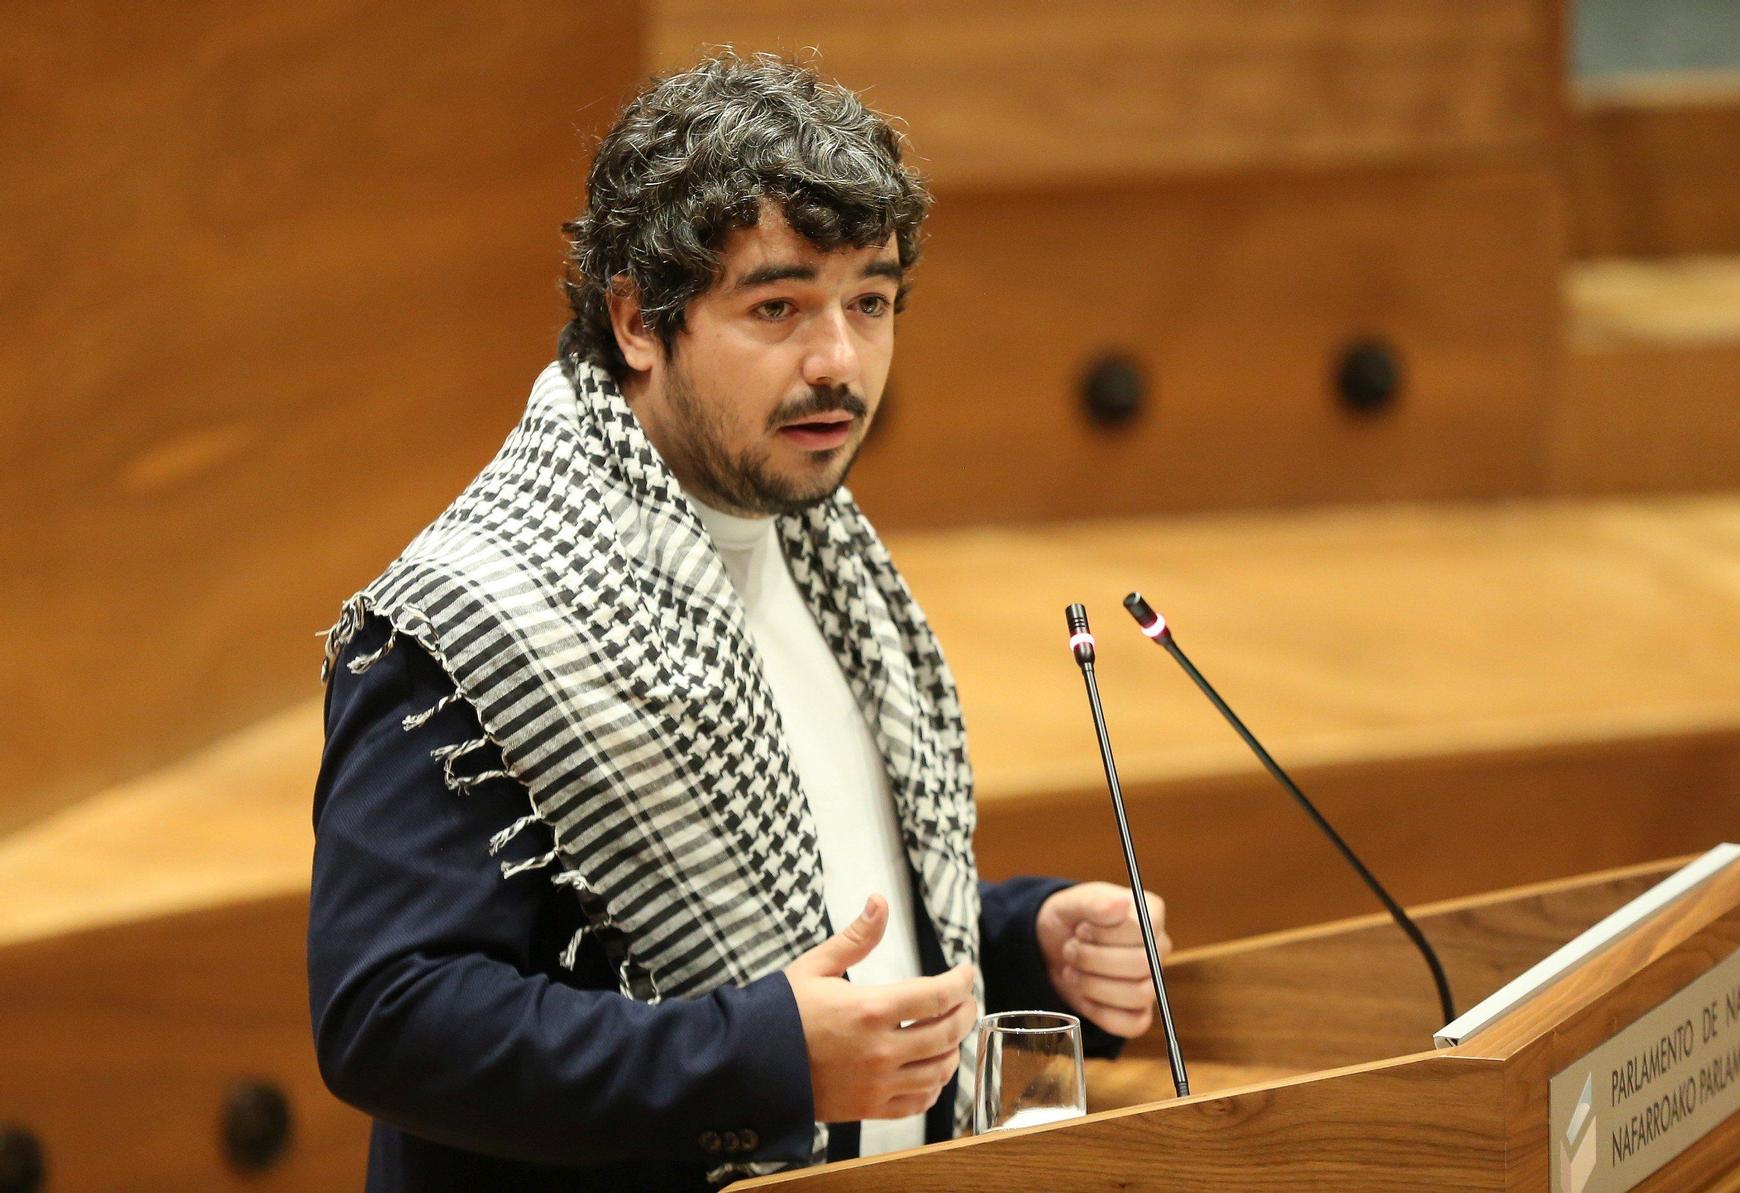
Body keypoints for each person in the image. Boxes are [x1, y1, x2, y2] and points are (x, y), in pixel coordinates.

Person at [307, 51, 1171, 1192]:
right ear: (636, 322)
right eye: (778, 306)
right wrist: (756, 1059)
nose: (839, 361)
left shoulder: (828, 557)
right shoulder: (472, 622)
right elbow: (388, 1014)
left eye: (869, 301)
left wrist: (1026, 939)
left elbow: (815, 906)